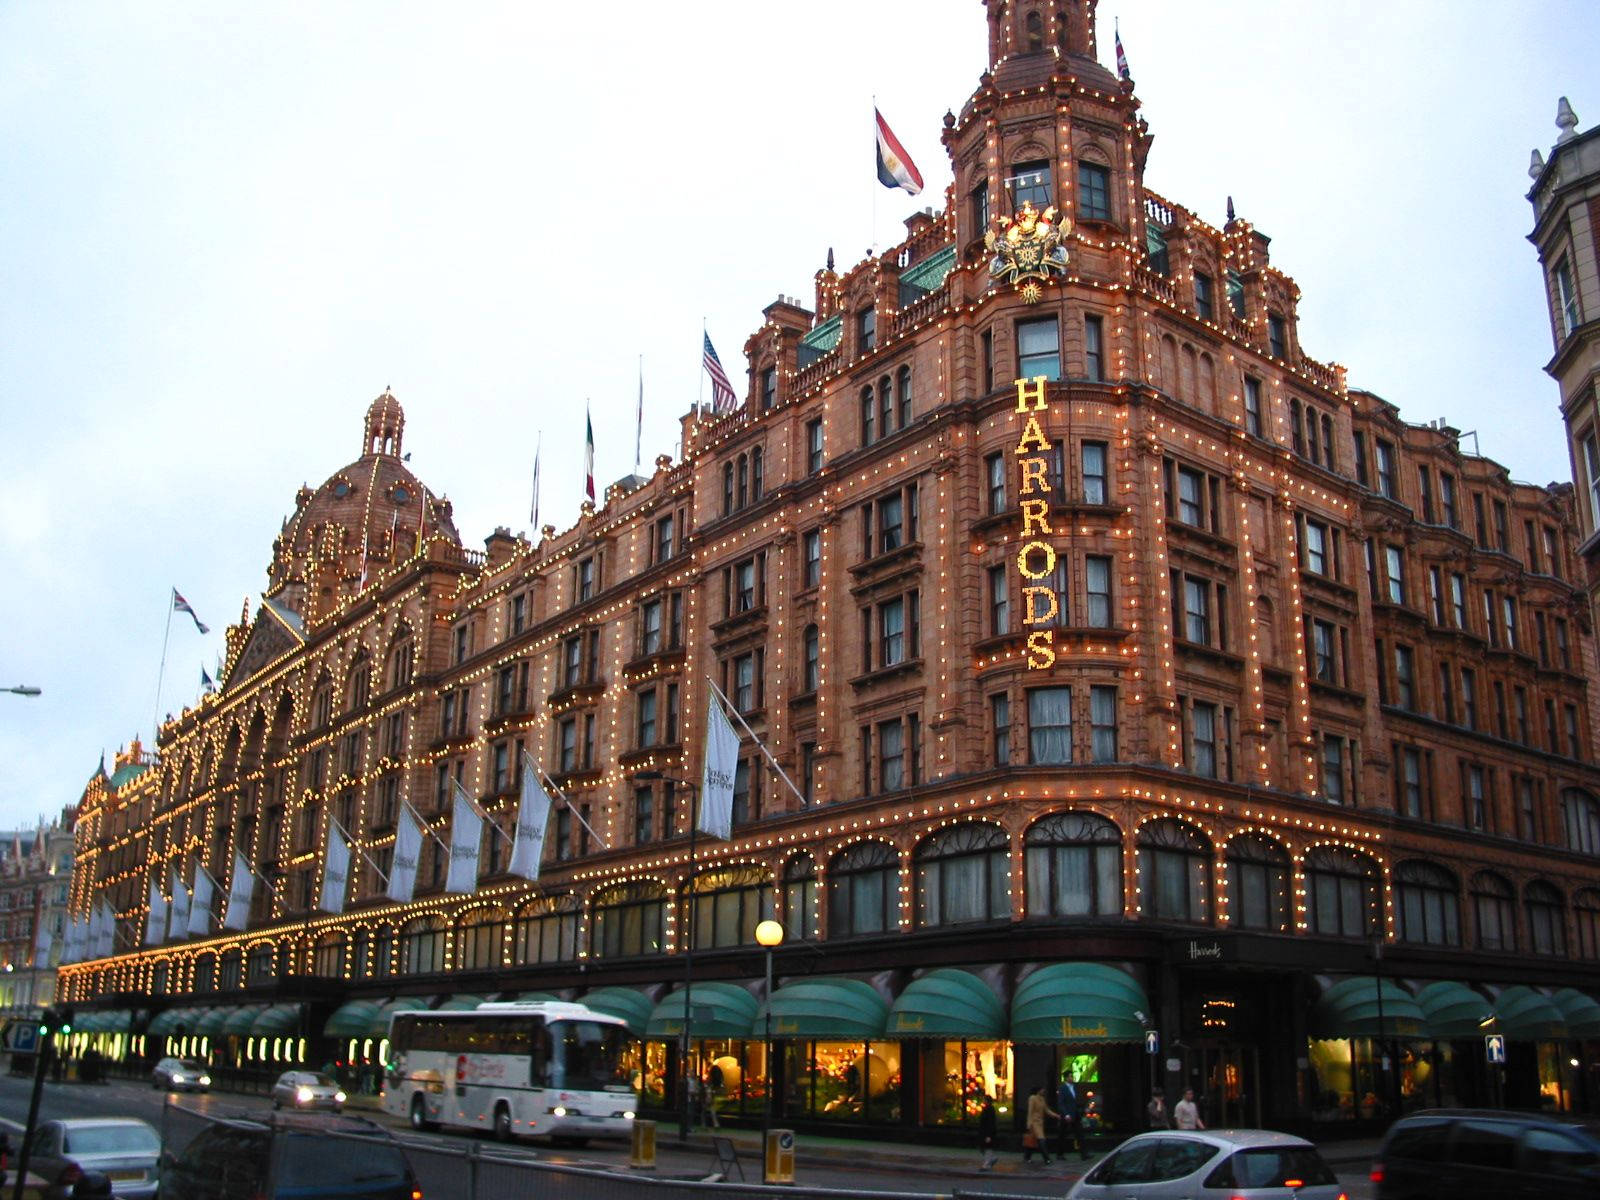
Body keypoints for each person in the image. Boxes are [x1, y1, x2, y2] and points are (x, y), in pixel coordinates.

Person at [1022, 1085, 1059, 1165]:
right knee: (1041, 1140)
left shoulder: (1042, 1099)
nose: (1044, 1091)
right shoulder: (1032, 1098)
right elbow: (1030, 1112)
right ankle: (1047, 1159)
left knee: (1033, 1141)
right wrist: (1029, 1124)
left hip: (1040, 1123)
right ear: (1038, 1090)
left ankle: (1027, 1157)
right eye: (1042, 1089)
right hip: (1034, 1123)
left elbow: (1047, 1110)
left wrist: (1056, 1115)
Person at [1055, 1070, 1087, 1160]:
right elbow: (1061, 1103)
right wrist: (1066, 1114)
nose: (1072, 1078)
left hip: (1076, 1114)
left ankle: (1084, 1154)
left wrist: (1082, 1110)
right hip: (1067, 1115)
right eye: (1070, 1076)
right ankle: (1059, 1154)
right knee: (1062, 1134)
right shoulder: (1062, 1088)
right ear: (1066, 1078)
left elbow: (1077, 1100)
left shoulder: (1075, 1087)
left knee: (1080, 1134)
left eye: (1072, 1076)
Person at [977, 1093, 998, 1171]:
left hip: (986, 1132)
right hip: (986, 1132)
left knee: (986, 1148)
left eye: (984, 1100)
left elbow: (990, 1122)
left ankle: (987, 1164)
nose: (983, 1101)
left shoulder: (988, 1109)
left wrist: (989, 1135)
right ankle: (991, 1159)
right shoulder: (989, 1109)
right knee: (986, 1148)